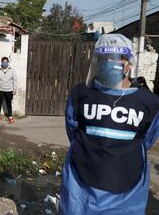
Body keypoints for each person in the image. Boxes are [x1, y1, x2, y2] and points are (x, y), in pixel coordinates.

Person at [59, 33, 159, 215]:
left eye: (119, 58)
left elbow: (148, 138)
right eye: (105, 58)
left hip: (127, 188)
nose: (111, 63)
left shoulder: (149, 102)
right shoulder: (81, 93)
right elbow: (72, 128)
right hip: (80, 186)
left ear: (129, 62)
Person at [0, 56, 18, 123]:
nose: (5, 63)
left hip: (9, 90)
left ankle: (10, 116)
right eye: (4, 62)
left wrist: (15, 89)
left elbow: (15, 80)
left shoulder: (12, 70)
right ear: (1, 62)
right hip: (0, 89)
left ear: (8, 62)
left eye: (6, 62)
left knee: (9, 103)